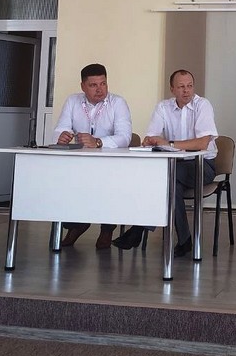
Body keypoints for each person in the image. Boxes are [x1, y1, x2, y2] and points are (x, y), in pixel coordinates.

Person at [113, 69, 218, 257]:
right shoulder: (163, 107)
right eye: (181, 87)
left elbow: (202, 143)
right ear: (172, 89)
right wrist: (150, 141)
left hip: (202, 165)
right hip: (174, 167)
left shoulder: (203, 105)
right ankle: (185, 240)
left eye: (190, 86)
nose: (186, 90)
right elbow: (152, 137)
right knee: (171, 184)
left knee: (165, 177)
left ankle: (138, 229)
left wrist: (168, 144)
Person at [52, 63, 132, 249]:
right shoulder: (73, 101)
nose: (100, 89)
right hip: (80, 162)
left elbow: (125, 137)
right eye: (93, 85)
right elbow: (60, 129)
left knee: (110, 183)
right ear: (82, 86)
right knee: (62, 179)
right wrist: (61, 136)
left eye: (103, 84)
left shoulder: (118, 103)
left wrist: (98, 142)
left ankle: (107, 228)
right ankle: (77, 223)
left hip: (110, 164)